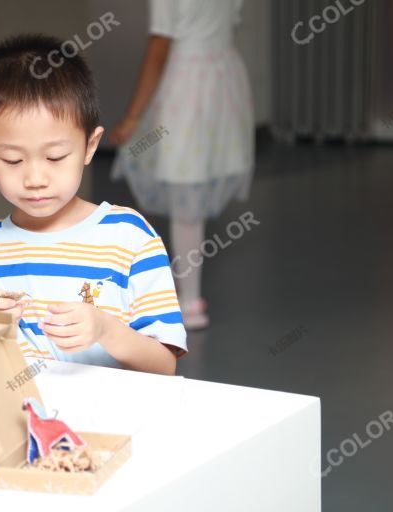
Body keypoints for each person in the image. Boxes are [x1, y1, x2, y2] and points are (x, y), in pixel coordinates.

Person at [0, 34, 186, 376]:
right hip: (17, 423)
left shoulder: (129, 238)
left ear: (89, 145)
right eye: (12, 160)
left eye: (55, 156)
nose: (35, 178)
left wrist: (105, 329)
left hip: (109, 422)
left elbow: (164, 367)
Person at [109, 0, 255, 330]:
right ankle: (188, 296)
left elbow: (159, 48)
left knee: (185, 186)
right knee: (194, 184)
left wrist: (132, 118)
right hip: (222, 78)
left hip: (186, 83)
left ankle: (189, 302)